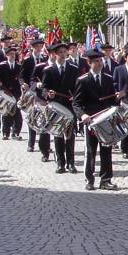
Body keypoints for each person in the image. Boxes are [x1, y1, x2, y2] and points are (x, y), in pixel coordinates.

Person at [73, 49, 119, 191]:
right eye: (96, 61)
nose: (100, 64)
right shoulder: (83, 80)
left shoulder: (108, 78)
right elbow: (76, 103)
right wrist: (82, 115)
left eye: (101, 61)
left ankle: (106, 179)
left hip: (105, 120)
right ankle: (89, 180)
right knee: (91, 150)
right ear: (89, 63)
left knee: (107, 149)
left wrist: (117, 99)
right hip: (91, 121)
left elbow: (112, 101)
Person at [42, 42, 79, 174]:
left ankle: (71, 163)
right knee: (58, 135)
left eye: (65, 52)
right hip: (56, 107)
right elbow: (44, 89)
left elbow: (78, 88)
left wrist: (75, 97)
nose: (63, 55)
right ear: (54, 54)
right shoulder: (48, 70)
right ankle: (60, 163)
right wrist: (48, 93)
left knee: (70, 136)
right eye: (60, 53)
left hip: (69, 107)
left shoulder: (74, 69)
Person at [0, 46, 23, 141]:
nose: (12, 56)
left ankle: (15, 132)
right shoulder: (2, 65)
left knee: (17, 114)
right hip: (5, 91)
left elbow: (21, 78)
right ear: (6, 55)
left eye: (14, 54)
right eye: (10, 54)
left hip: (16, 92)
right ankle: (5, 133)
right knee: (6, 113)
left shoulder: (19, 66)